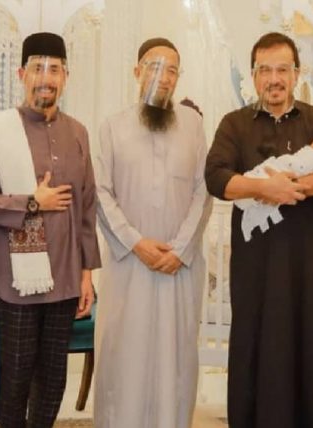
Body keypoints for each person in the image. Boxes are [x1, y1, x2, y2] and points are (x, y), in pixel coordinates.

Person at [205, 32, 313, 428]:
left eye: (282, 70)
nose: (274, 79)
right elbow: (216, 178)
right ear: (253, 76)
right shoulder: (234, 124)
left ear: (296, 74)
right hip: (254, 265)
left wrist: (293, 188)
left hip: (304, 263)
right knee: (254, 344)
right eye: (265, 70)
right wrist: (262, 189)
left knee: (307, 342)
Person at [0, 32, 101, 427]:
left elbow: (86, 206)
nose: (46, 78)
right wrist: (31, 202)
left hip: (65, 279)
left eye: (54, 69)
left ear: (65, 77)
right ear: (21, 74)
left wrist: (87, 273)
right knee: (16, 379)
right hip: (15, 281)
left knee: (54, 378)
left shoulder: (78, 132)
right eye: (38, 68)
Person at [94, 37, 212, 428]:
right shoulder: (112, 127)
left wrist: (180, 249)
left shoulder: (193, 125)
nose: (164, 76)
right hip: (129, 266)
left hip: (179, 267)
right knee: (124, 354)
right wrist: (136, 243)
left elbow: (203, 191)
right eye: (155, 66)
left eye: (172, 69)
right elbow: (100, 193)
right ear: (137, 71)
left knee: (175, 357)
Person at [235, 133, 313, 241]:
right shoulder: (312, 155)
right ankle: (250, 189)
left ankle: (250, 188)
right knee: (254, 185)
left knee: (258, 181)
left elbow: (298, 166)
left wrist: (286, 183)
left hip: (286, 175)